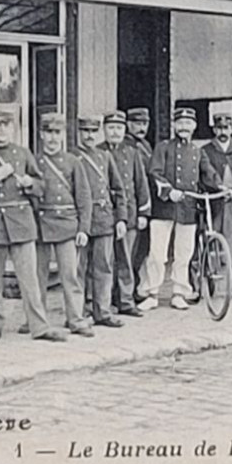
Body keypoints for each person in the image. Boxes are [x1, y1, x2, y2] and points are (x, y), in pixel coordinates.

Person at [0, 110, 66, 343]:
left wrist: (30, 183)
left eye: (6, 126)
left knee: (29, 280)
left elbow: (42, 186)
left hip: (22, 225)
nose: (1, 130)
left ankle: (39, 327)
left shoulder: (23, 154)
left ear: (13, 129)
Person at [33, 113, 96, 337]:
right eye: (48, 132)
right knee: (37, 276)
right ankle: (37, 319)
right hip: (40, 225)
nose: (52, 138)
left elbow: (84, 197)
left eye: (56, 133)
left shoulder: (73, 162)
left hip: (67, 225)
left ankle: (75, 319)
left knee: (70, 275)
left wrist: (83, 229)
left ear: (63, 135)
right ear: (41, 135)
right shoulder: (34, 162)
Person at [146, 106, 207, 309]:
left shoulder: (198, 151)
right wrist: (168, 190)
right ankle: (151, 293)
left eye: (188, 123)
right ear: (174, 125)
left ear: (194, 126)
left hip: (187, 209)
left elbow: (208, 174)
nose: (184, 127)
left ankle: (179, 293)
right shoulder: (163, 147)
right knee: (157, 253)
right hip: (163, 209)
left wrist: (225, 189)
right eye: (180, 123)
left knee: (184, 254)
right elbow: (154, 173)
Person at [75, 114, 127, 328]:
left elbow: (118, 189)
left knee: (104, 267)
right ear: (79, 133)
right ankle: (78, 311)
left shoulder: (104, 157)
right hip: (80, 221)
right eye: (85, 131)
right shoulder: (73, 157)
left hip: (104, 218)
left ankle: (102, 311)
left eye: (92, 132)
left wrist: (121, 218)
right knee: (78, 269)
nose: (89, 136)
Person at [101, 110, 150, 317]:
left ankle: (126, 300)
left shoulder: (132, 153)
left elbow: (141, 184)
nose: (115, 132)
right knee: (105, 260)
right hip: (103, 215)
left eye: (119, 128)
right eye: (111, 128)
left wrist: (143, 213)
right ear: (104, 130)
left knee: (126, 259)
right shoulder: (98, 152)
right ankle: (104, 299)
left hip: (129, 214)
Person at [200, 108, 232, 298]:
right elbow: (205, 174)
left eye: (226, 127)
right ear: (214, 130)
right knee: (211, 242)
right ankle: (210, 282)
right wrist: (216, 190)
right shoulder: (206, 150)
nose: (223, 132)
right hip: (214, 204)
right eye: (219, 128)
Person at [124, 106, 156, 305]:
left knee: (140, 249)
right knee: (130, 251)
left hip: (145, 202)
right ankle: (126, 291)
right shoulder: (128, 146)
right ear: (128, 125)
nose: (141, 127)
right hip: (131, 203)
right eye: (137, 123)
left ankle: (132, 286)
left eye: (144, 123)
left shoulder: (145, 145)